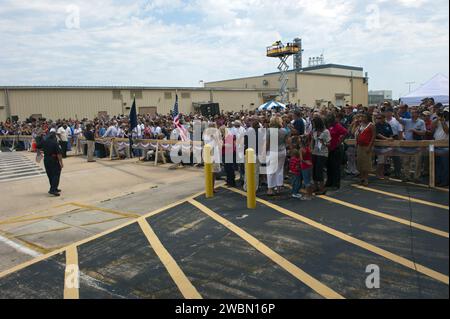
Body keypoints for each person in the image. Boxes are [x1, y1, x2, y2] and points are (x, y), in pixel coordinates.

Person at [325, 113, 348, 190]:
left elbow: (345, 132)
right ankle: (329, 181)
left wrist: (339, 142)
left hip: (336, 149)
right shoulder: (328, 126)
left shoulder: (337, 126)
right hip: (329, 149)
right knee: (329, 166)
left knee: (335, 167)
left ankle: (336, 183)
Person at [266, 117, 288, 196]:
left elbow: (267, 143)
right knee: (280, 169)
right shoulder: (284, 131)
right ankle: (279, 187)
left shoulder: (269, 131)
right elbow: (286, 142)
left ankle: (270, 189)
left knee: (271, 170)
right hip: (282, 151)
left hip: (272, 151)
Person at [354, 113, 376, 186]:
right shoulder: (360, 125)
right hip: (360, 146)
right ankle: (361, 178)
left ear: (367, 118)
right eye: (361, 117)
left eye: (364, 117)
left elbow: (373, 136)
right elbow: (355, 134)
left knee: (366, 163)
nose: (362, 118)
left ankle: (366, 178)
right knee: (360, 162)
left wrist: (370, 146)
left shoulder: (371, 125)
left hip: (367, 146)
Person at [311, 117, 330, 195]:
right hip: (315, 152)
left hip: (322, 153)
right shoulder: (314, 131)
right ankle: (316, 187)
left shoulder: (326, 132)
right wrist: (311, 149)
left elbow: (329, 143)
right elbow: (313, 141)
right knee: (314, 170)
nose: (313, 125)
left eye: (314, 123)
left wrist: (324, 142)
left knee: (319, 170)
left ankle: (322, 188)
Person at [40, 132, 63, 196]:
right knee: (56, 174)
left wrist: (39, 158)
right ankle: (52, 190)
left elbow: (38, 148)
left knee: (50, 174)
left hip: (46, 159)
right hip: (53, 159)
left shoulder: (44, 142)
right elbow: (59, 154)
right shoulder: (55, 143)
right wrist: (61, 163)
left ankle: (54, 188)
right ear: (54, 137)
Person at [432, 106, 449, 186]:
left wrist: (442, 121)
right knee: (437, 165)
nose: (445, 115)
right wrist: (438, 118)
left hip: (445, 146)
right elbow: (432, 127)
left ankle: (444, 181)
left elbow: (446, 131)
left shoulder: (445, 122)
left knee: (445, 165)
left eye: (447, 113)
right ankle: (438, 180)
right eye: (444, 113)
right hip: (436, 145)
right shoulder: (439, 120)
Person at [375, 113, 394, 179]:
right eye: (378, 118)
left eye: (380, 118)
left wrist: (391, 138)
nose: (379, 119)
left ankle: (382, 173)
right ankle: (378, 174)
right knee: (381, 160)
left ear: (383, 118)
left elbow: (391, 133)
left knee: (385, 161)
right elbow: (377, 134)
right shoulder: (376, 125)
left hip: (387, 144)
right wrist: (386, 138)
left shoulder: (387, 124)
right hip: (379, 145)